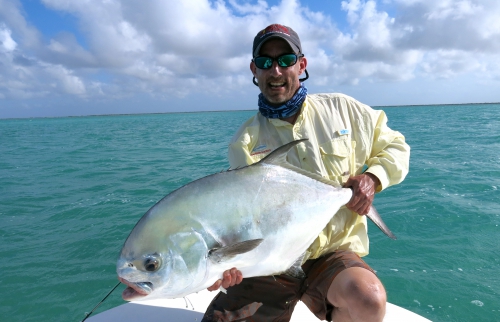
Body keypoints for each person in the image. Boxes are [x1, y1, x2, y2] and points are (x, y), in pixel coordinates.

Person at [202, 24, 410, 322]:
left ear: (302, 64)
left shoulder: (344, 111)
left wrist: (372, 178)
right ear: (254, 69)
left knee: (368, 299)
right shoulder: (244, 141)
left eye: (285, 60)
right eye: (265, 62)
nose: (276, 71)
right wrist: (227, 265)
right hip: (270, 262)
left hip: (331, 255)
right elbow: (242, 218)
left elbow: (396, 146)